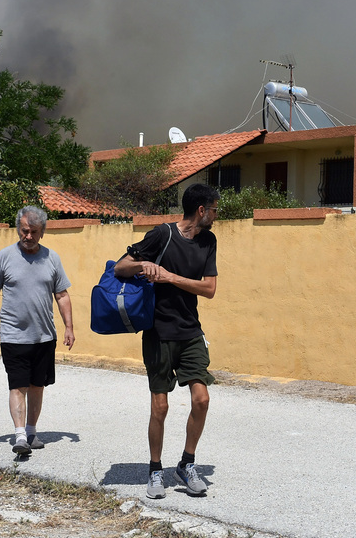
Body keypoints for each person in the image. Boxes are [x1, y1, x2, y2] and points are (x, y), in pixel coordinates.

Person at [114, 183, 219, 498]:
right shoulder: (162, 234)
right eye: (214, 209)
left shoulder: (208, 241)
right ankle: (155, 470)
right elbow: (120, 267)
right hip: (158, 333)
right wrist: (142, 264)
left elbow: (209, 289)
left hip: (190, 332)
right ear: (201, 210)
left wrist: (170, 277)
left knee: (202, 399)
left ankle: (186, 464)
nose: (216, 215)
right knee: (160, 407)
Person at [0, 205, 75, 456]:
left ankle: (32, 432)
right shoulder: (4, 257)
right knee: (18, 386)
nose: (28, 236)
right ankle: (20, 437)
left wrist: (69, 327)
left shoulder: (52, 258)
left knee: (37, 386)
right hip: (14, 336)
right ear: (18, 229)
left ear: (42, 232)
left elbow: (62, 295)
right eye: (25, 231)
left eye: (34, 232)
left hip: (44, 336)